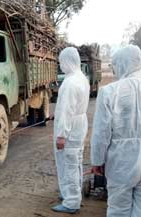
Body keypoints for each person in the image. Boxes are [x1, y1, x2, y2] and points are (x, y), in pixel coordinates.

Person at [91, 45, 141, 217]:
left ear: (121, 64)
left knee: (118, 208)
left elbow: (101, 133)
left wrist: (97, 160)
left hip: (121, 160)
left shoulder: (110, 91)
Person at [52, 47, 90, 213]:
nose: (60, 65)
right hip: (79, 124)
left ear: (68, 61)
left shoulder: (70, 83)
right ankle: (71, 192)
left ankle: (71, 202)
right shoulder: (81, 78)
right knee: (76, 161)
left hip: (70, 128)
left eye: (61, 62)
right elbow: (69, 107)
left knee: (69, 164)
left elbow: (67, 110)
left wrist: (61, 135)